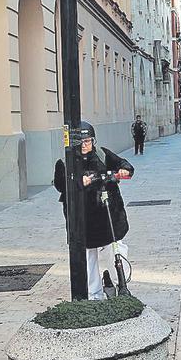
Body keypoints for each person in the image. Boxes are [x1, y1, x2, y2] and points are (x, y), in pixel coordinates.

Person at [53, 122, 135, 301]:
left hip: (108, 217)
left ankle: (120, 284)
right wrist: (79, 183)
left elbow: (126, 167)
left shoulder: (102, 154)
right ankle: (95, 296)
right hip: (82, 220)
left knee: (117, 252)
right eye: (81, 142)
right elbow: (60, 185)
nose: (85, 145)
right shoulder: (65, 162)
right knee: (88, 259)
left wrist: (123, 171)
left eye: (88, 141)